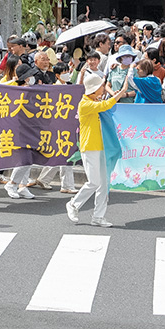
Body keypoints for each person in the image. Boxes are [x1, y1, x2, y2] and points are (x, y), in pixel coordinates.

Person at [66, 70, 129, 227]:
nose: (103, 88)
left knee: (104, 183)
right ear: (94, 89)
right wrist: (122, 91)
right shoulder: (85, 104)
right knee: (94, 182)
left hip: (102, 147)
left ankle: (98, 217)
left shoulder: (93, 100)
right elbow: (105, 105)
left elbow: (104, 104)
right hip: (90, 147)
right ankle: (73, 204)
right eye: (101, 86)